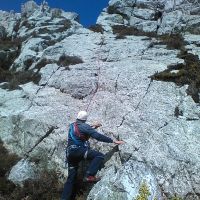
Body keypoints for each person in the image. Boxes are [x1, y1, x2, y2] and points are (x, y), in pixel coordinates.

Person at [61, 111, 124, 200]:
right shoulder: (85, 126)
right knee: (99, 156)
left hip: (70, 154)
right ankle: (89, 175)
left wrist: (93, 126)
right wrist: (113, 141)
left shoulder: (72, 125)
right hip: (78, 150)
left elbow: (82, 129)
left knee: (71, 179)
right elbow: (97, 136)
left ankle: (64, 198)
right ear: (85, 119)